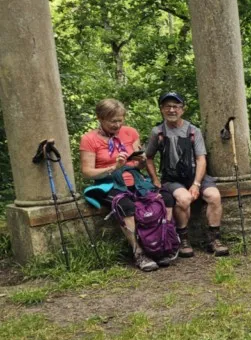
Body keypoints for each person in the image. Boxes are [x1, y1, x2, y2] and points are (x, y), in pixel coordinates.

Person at [79, 98, 175, 272]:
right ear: (100, 118)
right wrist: (113, 167)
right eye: (112, 121)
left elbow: (139, 165)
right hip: (108, 183)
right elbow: (87, 172)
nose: (117, 125)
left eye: (120, 120)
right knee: (126, 205)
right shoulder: (89, 139)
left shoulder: (130, 132)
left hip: (134, 179)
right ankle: (139, 252)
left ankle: (162, 243)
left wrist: (141, 161)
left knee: (166, 197)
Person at [143, 91, 229, 258]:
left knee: (214, 196)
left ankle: (214, 239)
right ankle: (183, 239)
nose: (172, 110)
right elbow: (148, 157)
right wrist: (155, 179)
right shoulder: (158, 132)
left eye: (176, 106)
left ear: (182, 109)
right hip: (172, 178)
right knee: (184, 199)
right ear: (161, 109)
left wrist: (196, 183)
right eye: (168, 106)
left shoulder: (193, 131)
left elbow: (201, 159)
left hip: (195, 175)